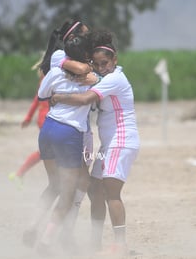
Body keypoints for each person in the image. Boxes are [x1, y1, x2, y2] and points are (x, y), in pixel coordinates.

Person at [51, 30, 140, 255]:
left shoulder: (115, 78)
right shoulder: (104, 77)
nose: (101, 67)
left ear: (115, 60)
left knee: (111, 194)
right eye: (97, 64)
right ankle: (95, 242)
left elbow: (84, 98)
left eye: (105, 63)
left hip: (122, 140)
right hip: (109, 144)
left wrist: (59, 97)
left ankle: (120, 245)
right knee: (95, 190)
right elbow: (90, 80)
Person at [20, 20, 95, 249]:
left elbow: (42, 95)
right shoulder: (65, 60)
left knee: (54, 184)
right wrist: (88, 72)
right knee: (68, 191)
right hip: (69, 131)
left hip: (49, 129)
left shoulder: (56, 69)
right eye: (85, 35)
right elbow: (85, 74)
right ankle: (47, 240)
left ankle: (32, 227)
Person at [8, 58, 49, 189]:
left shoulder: (46, 79)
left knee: (48, 151)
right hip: (47, 119)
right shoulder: (50, 79)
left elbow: (36, 101)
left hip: (44, 119)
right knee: (47, 151)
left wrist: (28, 118)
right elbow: (37, 100)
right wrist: (28, 117)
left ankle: (19, 174)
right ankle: (19, 174)